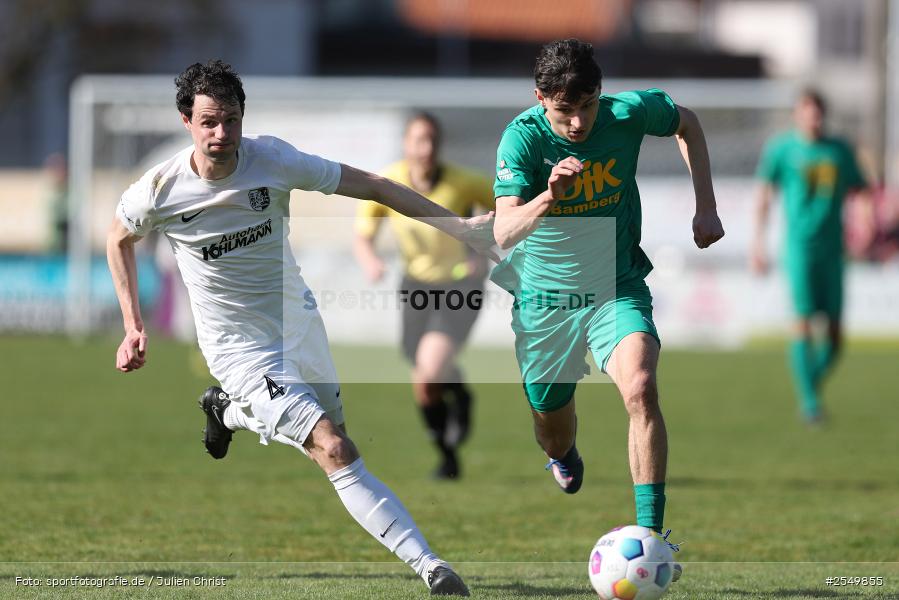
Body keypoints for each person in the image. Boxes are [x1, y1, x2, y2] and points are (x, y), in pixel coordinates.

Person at [106, 60, 491, 596]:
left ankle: (227, 412)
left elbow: (376, 185)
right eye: (209, 122)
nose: (222, 134)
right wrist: (133, 324)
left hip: (299, 324)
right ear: (186, 121)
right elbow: (118, 239)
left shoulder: (273, 160)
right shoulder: (159, 189)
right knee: (334, 448)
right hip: (237, 350)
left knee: (337, 440)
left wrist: (459, 227)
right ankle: (433, 569)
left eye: (231, 120)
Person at [489, 39, 724, 572]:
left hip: (615, 285)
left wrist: (706, 207)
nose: (578, 122)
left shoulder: (629, 112)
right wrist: (549, 195)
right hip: (546, 301)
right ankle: (562, 455)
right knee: (551, 425)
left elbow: (687, 124)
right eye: (564, 111)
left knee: (640, 387)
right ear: (541, 99)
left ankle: (651, 536)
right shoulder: (521, 138)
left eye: (588, 105)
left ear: (601, 92)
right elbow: (504, 231)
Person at [353, 112, 494, 480]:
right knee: (422, 373)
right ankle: (449, 447)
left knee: (428, 372)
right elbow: (364, 234)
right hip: (415, 286)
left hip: (460, 287)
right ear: (406, 143)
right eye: (419, 139)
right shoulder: (388, 183)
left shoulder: (464, 182)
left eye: (432, 140)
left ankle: (451, 417)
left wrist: (481, 250)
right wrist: (370, 260)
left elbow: (506, 208)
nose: (426, 148)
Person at [752, 88, 869, 423]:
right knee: (802, 322)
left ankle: (809, 386)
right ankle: (810, 404)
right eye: (807, 112)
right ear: (797, 114)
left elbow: (861, 190)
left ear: (823, 115)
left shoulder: (839, 150)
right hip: (799, 248)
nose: (813, 119)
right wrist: (758, 244)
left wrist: (865, 225)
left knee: (835, 337)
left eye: (817, 113)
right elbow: (764, 196)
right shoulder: (782, 149)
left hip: (834, 249)